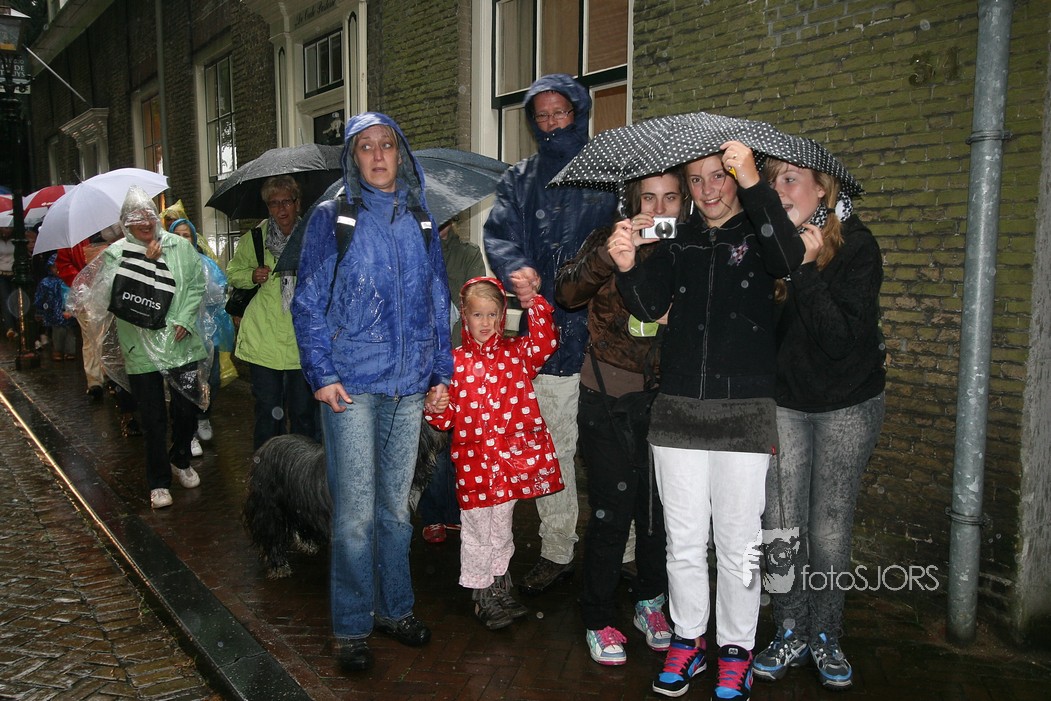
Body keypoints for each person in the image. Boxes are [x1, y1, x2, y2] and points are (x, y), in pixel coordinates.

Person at [608, 141, 809, 700]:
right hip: (678, 409)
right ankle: (689, 639)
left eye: (718, 176)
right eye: (695, 180)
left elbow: (788, 259)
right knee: (684, 541)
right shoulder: (680, 237)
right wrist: (628, 265)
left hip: (745, 410)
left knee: (740, 542)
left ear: (735, 177)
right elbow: (648, 306)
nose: (707, 189)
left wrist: (756, 184)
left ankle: (736, 648)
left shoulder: (760, 230)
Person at [292, 112, 452, 673]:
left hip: (408, 388)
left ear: (400, 153)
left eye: (387, 145)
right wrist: (322, 374)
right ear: (352, 157)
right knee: (356, 515)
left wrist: (440, 374)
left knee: (396, 510)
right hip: (352, 387)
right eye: (366, 147)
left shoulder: (421, 219)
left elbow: (437, 300)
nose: (379, 155)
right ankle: (352, 626)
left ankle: (395, 609)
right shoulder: (332, 218)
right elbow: (307, 302)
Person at [750, 158, 885, 691]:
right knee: (781, 525)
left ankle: (826, 633)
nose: (779, 189)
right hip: (785, 404)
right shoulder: (770, 249)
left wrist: (803, 270)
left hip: (846, 405)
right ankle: (790, 629)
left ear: (822, 190)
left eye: (790, 179)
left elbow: (838, 340)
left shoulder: (858, 247)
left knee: (827, 529)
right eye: (772, 180)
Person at [483, 73, 617, 594]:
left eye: (560, 112)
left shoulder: (609, 173)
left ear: (578, 112)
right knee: (553, 450)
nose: (552, 122)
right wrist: (514, 270)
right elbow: (500, 235)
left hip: (607, 340)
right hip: (546, 338)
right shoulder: (519, 179)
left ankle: (624, 550)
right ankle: (557, 549)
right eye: (541, 115)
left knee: (612, 456)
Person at [556, 172, 686, 666]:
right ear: (633, 199)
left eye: (670, 197)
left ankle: (650, 602)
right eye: (649, 196)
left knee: (657, 510)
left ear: (684, 202)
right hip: (606, 394)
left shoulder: (690, 247)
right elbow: (566, 292)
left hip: (667, 396)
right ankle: (598, 615)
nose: (659, 207)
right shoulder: (608, 238)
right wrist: (608, 255)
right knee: (612, 509)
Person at [425, 277, 562, 630]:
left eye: (491, 314)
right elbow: (444, 419)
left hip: (508, 465)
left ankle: (500, 584)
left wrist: (535, 303)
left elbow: (546, 343)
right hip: (474, 466)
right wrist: (435, 406)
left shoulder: (517, 355)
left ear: (502, 316)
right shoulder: (453, 364)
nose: (485, 323)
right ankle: (481, 592)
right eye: (477, 315)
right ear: (465, 318)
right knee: (476, 532)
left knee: (502, 529)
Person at [91, 186, 208, 509]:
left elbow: (196, 283)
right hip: (139, 348)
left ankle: (180, 458)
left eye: (148, 216)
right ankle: (158, 482)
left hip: (181, 343)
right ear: (126, 223)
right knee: (153, 418)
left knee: (187, 409)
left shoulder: (178, 246)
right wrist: (143, 263)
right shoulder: (116, 254)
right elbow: (111, 298)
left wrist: (185, 318)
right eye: (136, 217)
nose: (144, 222)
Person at [227, 175, 317, 450]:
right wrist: (251, 275)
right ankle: (268, 467)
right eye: (274, 203)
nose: (281, 209)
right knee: (268, 413)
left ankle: (302, 468)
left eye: (286, 202)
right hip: (263, 341)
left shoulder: (312, 236)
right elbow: (232, 272)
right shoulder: (255, 240)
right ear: (268, 207)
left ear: (297, 203)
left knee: (303, 413)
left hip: (301, 342)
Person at [418, 219, 486, 544]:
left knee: (459, 441)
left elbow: (478, 301)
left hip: (460, 361)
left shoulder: (468, 253)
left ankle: (457, 512)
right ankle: (432, 514)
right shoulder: (414, 249)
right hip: (423, 360)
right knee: (430, 441)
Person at [170, 218, 235, 456]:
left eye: (186, 235)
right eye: (177, 235)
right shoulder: (166, 264)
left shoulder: (206, 264)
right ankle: (189, 434)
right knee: (186, 385)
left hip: (208, 334)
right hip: (180, 336)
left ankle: (204, 416)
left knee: (211, 379)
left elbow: (220, 293)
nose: (182, 239)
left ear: (193, 238)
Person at [34, 252, 78, 361]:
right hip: (53, 313)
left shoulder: (70, 279)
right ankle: (58, 350)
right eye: (54, 267)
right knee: (58, 333)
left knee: (70, 332)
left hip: (69, 310)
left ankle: (70, 351)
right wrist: (40, 311)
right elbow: (40, 297)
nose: (57, 270)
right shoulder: (46, 283)